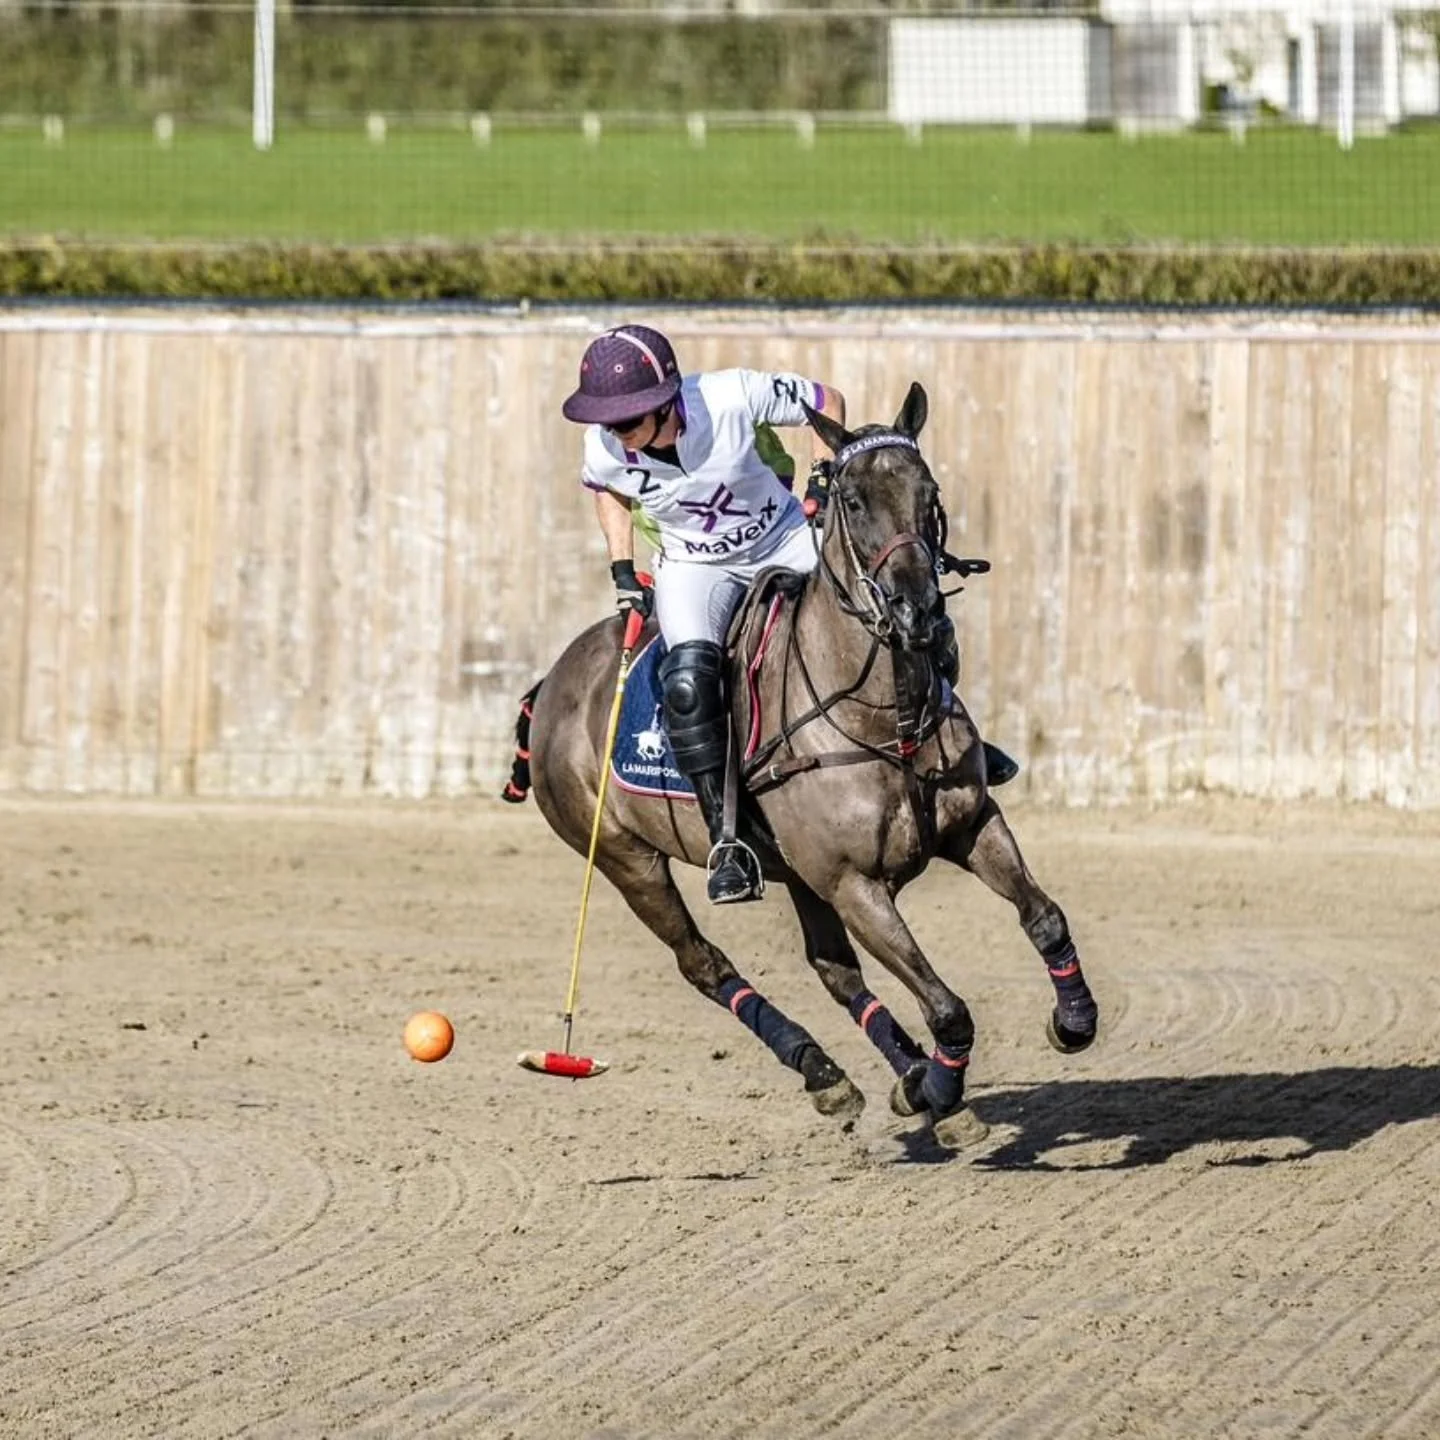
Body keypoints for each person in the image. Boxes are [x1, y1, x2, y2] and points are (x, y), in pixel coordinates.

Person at [562, 323, 845, 905]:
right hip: (695, 566)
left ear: (666, 400)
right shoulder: (605, 445)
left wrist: (821, 481)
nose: (619, 435)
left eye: (629, 420)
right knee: (686, 683)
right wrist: (622, 567)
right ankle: (729, 842)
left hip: (783, 538)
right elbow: (608, 489)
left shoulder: (732, 396)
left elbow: (827, 402)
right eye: (609, 422)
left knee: (885, 600)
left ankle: (950, 740)